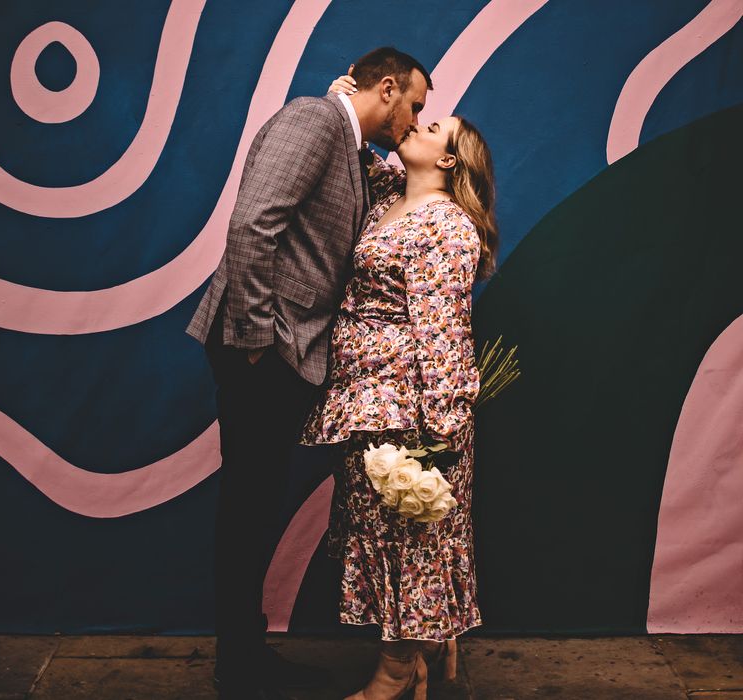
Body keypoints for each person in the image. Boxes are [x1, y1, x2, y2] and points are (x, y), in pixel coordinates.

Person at [185, 48, 432, 699]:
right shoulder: (315, 120)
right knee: (249, 508)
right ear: (386, 87)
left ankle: (243, 654)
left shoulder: (347, 145)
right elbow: (252, 223)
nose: (415, 121)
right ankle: (239, 665)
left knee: (256, 506)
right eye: (415, 106)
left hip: (280, 356)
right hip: (262, 352)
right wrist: (257, 344)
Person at [298, 70, 499, 699]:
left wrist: (439, 436)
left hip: (411, 409)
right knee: (378, 534)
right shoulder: (392, 197)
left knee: (410, 542)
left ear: (447, 158)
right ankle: (425, 648)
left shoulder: (446, 227)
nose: (420, 121)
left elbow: (442, 335)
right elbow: (358, 150)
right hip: (366, 399)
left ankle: (395, 671)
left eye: (436, 126)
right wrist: (343, 100)